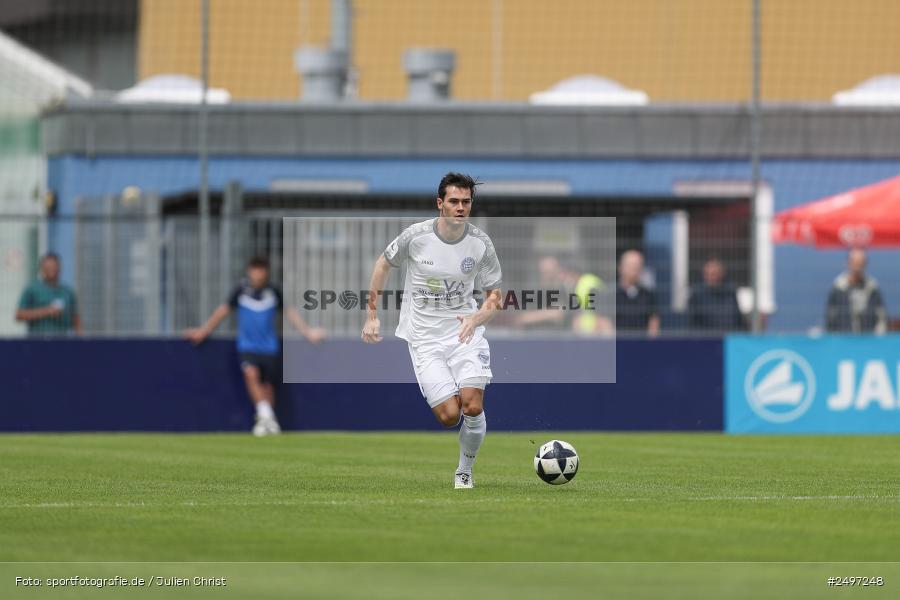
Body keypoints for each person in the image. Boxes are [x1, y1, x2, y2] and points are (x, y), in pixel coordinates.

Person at [361, 172, 502, 489]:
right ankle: (458, 442)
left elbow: (495, 295)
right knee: (450, 416)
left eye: (466, 202)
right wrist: (371, 315)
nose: (460, 207)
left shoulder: (480, 244)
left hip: (465, 333)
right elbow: (383, 264)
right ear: (441, 204)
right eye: (454, 201)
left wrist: (475, 319)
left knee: (473, 405)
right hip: (424, 339)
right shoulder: (416, 236)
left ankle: (464, 471)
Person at [185, 256, 326, 436]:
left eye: (261, 270)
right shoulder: (241, 291)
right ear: (250, 270)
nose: (258, 273)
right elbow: (222, 311)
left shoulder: (273, 291)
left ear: (266, 272)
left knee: (267, 386)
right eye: (255, 269)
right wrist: (203, 331)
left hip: (269, 347)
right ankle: (266, 414)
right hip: (247, 346)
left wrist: (308, 332)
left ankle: (266, 422)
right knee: (250, 374)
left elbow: (289, 312)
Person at [15, 252, 82, 335]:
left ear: (59, 268)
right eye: (48, 268)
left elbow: (76, 318)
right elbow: (19, 315)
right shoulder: (32, 289)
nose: (52, 270)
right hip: (37, 342)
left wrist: (81, 341)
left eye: (54, 267)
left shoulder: (68, 292)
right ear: (42, 269)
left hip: (62, 342)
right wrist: (47, 311)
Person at [825, 248, 887, 333]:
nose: (857, 267)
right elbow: (831, 317)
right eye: (855, 263)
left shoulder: (872, 287)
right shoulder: (838, 288)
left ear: (865, 264)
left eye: (860, 263)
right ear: (848, 263)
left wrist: (879, 338)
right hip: (844, 339)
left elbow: (881, 315)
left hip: (868, 339)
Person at [688, 257, 746, 332]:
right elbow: (692, 323)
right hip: (705, 337)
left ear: (722, 274)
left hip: (729, 336)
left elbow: (737, 319)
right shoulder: (697, 294)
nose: (711, 277)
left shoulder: (730, 292)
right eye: (708, 274)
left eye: (714, 274)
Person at [615, 249, 659, 336]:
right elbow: (604, 323)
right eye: (631, 265)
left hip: (642, 345)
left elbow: (653, 320)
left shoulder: (648, 294)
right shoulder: (611, 294)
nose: (634, 269)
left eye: (638, 266)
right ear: (620, 267)